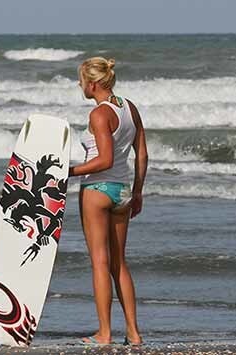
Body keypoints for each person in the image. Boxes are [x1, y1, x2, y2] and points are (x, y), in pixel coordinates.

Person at [69, 57, 148, 346]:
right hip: (123, 190)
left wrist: (69, 171)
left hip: (97, 191)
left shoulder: (99, 115)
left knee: (100, 263)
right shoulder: (129, 108)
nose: (80, 86)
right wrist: (138, 191)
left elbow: (104, 159)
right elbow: (141, 154)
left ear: (92, 83)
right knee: (119, 263)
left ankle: (104, 333)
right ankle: (134, 333)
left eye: (81, 81)